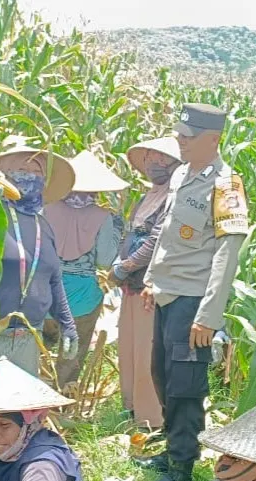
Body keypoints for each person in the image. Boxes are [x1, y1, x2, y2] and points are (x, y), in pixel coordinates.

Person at [131, 104, 250, 481]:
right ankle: (171, 452)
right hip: (168, 295)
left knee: (185, 388)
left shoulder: (227, 185)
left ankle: (180, 475)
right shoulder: (182, 174)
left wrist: (208, 317)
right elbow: (168, 236)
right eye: (179, 132)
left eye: (188, 135)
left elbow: (226, 254)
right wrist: (152, 281)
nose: (179, 139)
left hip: (194, 303)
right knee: (162, 375)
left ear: (213, 139)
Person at [0, 146, 79, 375]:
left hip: (30, 336)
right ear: (1, 171)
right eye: (22, 165)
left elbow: (53, 280)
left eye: (38, 168)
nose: (30, 171)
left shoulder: (43, 226)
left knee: (16, 408)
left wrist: (67, 325)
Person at [109, 137, 181, 429]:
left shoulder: (173, 199)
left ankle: (151, 418)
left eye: (162, 160)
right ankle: (131, 407)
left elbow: (157, 240)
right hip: (131, 286)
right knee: (129, 346)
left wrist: (125, 266)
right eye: (150, 159)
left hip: (152, 287)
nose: (155, 165)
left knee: (147, 352)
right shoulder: (145, 198)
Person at [43, 150, 127, 388]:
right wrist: (118, 232)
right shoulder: (103, 217)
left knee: (38, 350)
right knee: (70, 357)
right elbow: (104, 261)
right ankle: (62, 401)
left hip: (45, 293)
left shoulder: (47, 209)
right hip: (82, 299)